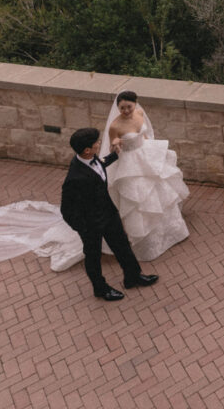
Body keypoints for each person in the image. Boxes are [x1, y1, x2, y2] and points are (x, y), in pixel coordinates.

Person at [59, 126, 158, 301]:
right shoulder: (74, 179)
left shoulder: (91, 158)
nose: (99, 143)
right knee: (93, 257)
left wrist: (114, 155)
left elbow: (99, 166)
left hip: (108, 214)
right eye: (97, 142)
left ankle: (132, 276)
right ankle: (100, 288)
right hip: (91, 225)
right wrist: (84, 228)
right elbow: (66, 210)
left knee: (122, 246)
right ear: (87, 150)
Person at [102, 90, 190, 262]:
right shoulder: (115, 126)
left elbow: (145, 132)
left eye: (129, 106)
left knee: (160, 190)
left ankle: (172, 231)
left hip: (145, 154)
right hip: (129, 163)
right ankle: (146, 242)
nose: (126, 111)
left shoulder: (140, 113)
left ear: (135, 104)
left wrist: (151, 148)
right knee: (139, 199)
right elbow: (113, 142)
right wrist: (116, 144)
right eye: (122, 108)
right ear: (117, 107)